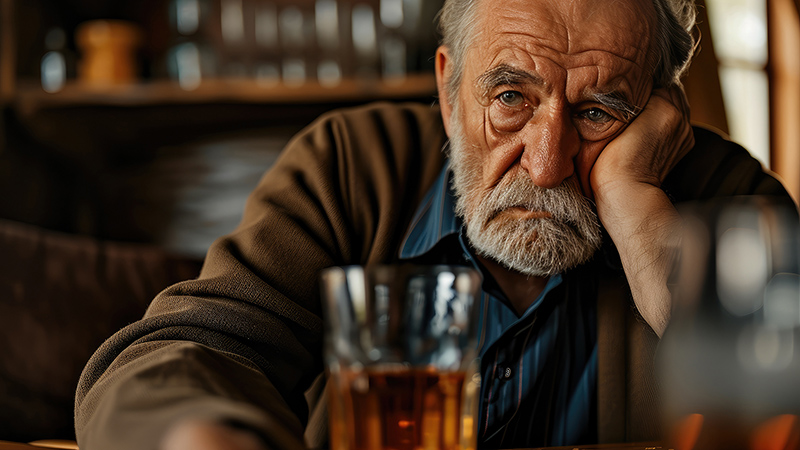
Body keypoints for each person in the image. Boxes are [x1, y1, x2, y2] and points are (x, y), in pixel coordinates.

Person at [75, 0, 792, 448]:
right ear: (450, 95)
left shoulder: (723, 197)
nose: (546, 165)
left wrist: (639, 208)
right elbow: (184, 351)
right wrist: (202, 435)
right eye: (511, 96)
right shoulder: (353, 168)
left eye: (599, 111)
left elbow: (781, 405)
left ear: (661, 118)